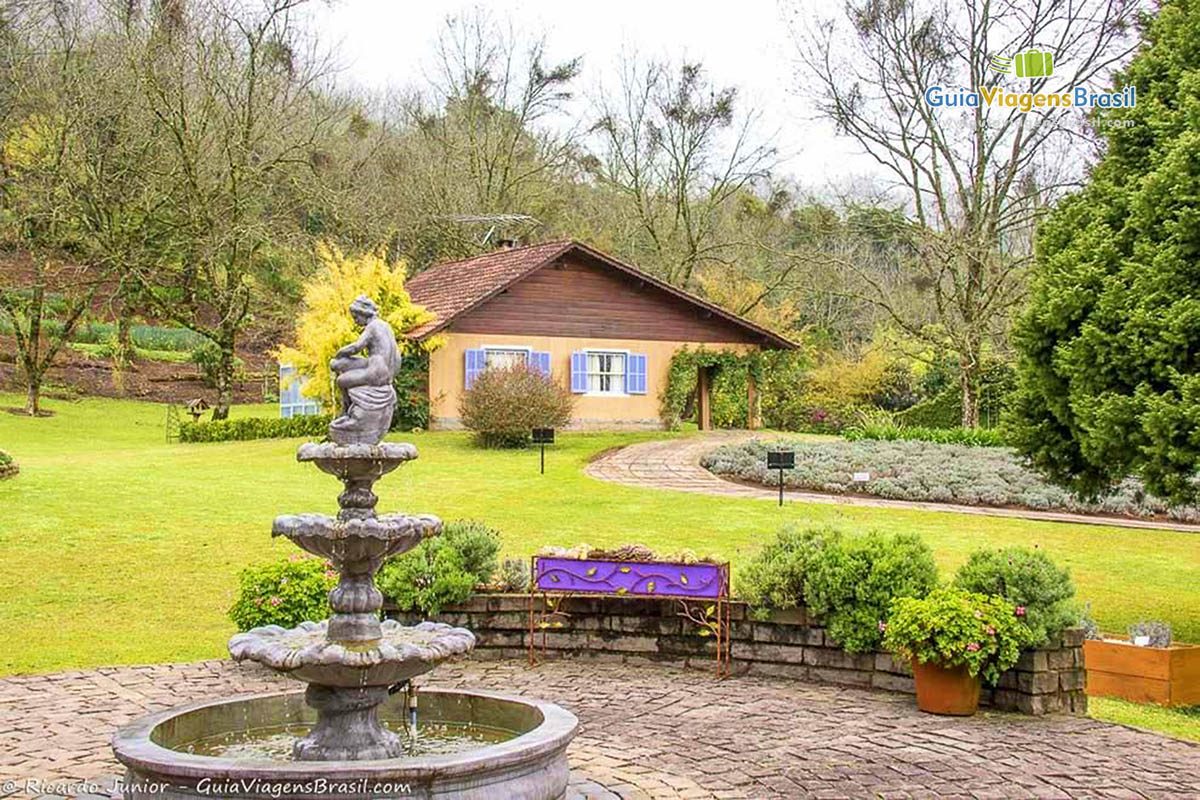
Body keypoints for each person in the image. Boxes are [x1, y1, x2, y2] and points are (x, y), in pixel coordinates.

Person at [328, 295, 400, 443]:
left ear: (363, 313)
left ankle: (345, 411)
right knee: (339, 365)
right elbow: (397, 356)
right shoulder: (385, 326)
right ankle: (348, 412)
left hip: (375, 372)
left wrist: (339, 352)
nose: (355, 321)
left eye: (355, 317)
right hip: (381, 369)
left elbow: (356, 347)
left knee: (342, 381)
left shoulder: (372, 326)